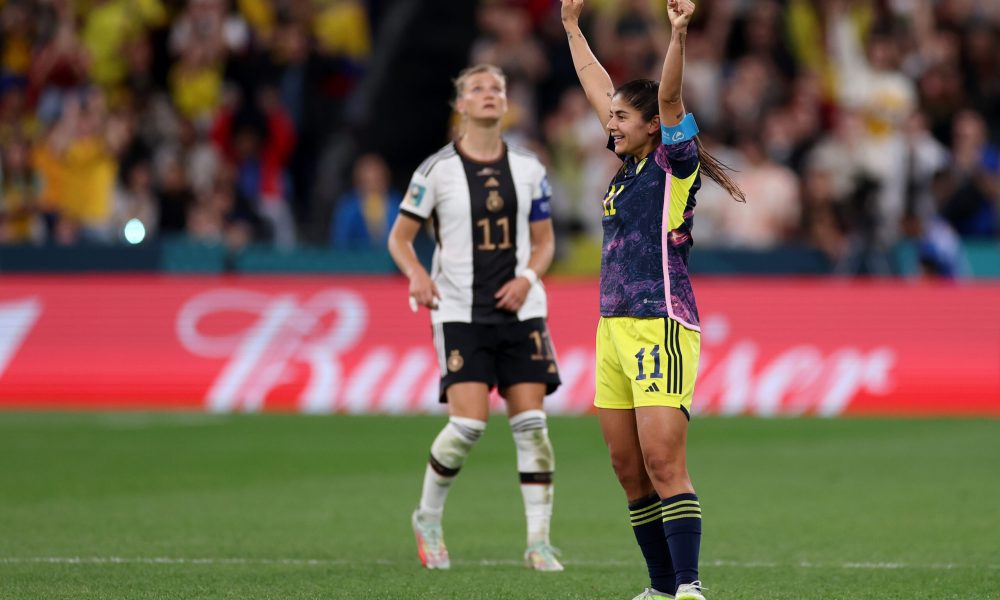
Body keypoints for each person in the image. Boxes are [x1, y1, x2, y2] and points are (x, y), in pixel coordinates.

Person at [561, 1, 745, 598]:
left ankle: (689, 587)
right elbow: (595, 83)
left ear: (647, 126)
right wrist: (570, 26)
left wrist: (678, 33)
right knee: (627, 469)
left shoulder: (672, 163)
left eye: (618, 117)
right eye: (608, 116)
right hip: (611, 328)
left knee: (665, 465)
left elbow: (668, 99)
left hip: (659, 324)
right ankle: (661, 588)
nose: (607, 123)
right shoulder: (625, 167)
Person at [386, 64, 564, 572]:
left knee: (532, 426)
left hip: (522, 310)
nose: (489, 95)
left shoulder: (530, 168)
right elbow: (400, 237)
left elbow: (547, 241)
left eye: (497, 88)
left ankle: (539, 542)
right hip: (460, 311)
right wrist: (418, 276)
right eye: (477, 89)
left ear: (506, 103)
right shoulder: (435, 170)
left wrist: (528, 278)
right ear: (460, 105)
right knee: (467, 426)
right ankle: (428, 517)